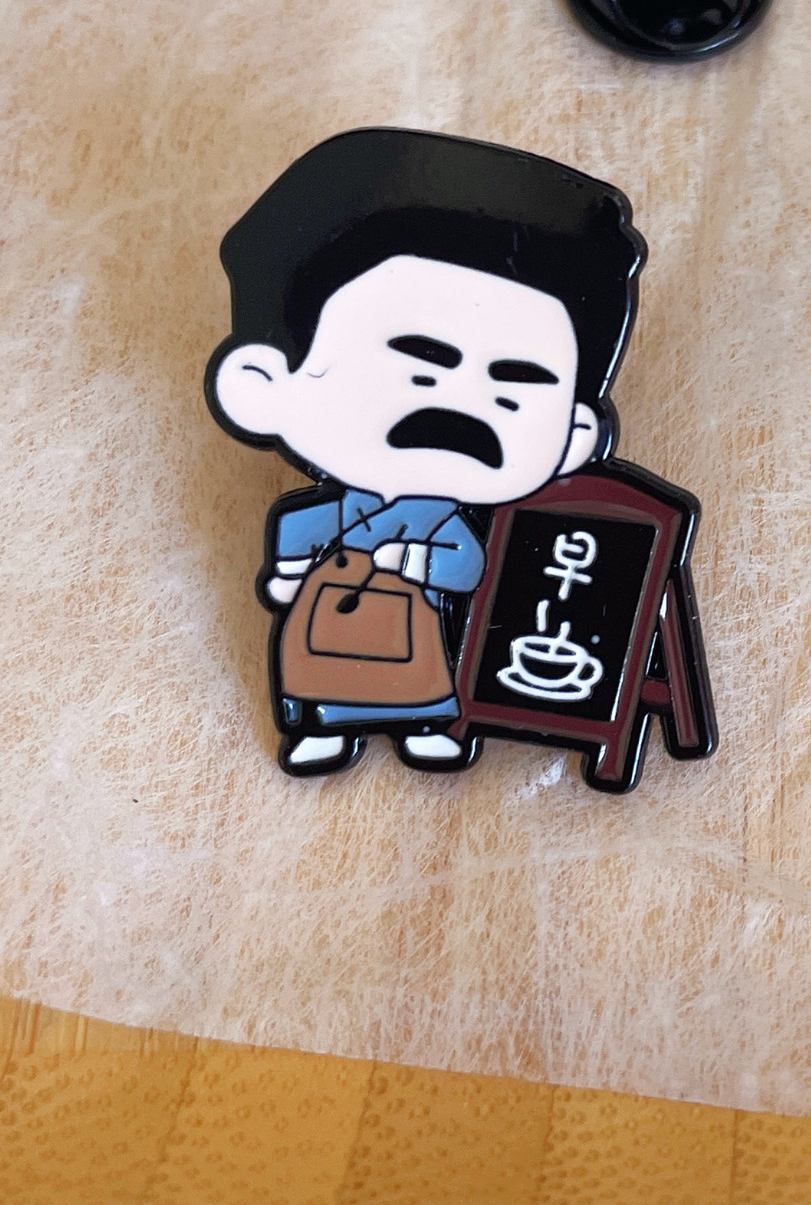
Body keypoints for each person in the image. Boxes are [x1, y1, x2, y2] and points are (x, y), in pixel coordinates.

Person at [206, 127, 644, 775]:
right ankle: (322, 729)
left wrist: (409, 559)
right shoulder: (323, 513)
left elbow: (467, 571)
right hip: (327, 613)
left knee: (419, 671)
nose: (465, 402)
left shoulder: (444, 525)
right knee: (315, 664)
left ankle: (421, 724)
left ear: (575, 436)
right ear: (261, 386)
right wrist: (290, 574)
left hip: (410, 617)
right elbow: (297, 540)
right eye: (418, 364)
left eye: (516, 386)